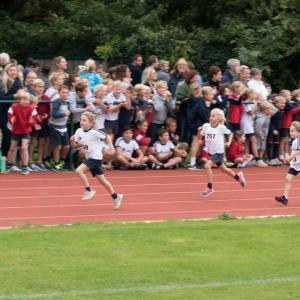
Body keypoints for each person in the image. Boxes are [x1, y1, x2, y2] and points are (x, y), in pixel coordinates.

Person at [71, 111, 123, 207]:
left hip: (96, 158)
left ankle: (88, 189)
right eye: (81, 120)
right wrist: (72, 142)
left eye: (84, 120)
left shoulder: (95, 132)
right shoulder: (78, 131)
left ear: (91, 123)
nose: (82, 122)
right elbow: (75, 146)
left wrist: (111, 148)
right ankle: (116, 197)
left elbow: (108, 137)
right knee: (103, 181)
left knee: (79, 170)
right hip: (89, 158)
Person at [200, 108, 246, 196]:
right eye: (210, 115)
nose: (211, 117)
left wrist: (228, 142)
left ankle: (209, 187)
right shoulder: (206, 126)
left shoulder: (221, 127)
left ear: (219, 119)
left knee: (207, 165)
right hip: (212, 152)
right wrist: (199, 133)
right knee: (224, 170)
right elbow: (201, 136)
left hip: (218, 152)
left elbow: (231, 133)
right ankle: (238, 177)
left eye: (213, 116)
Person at [6, 91, 38, 175]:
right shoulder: (14, 107)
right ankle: (9, 164)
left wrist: (33, 122)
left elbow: (35, 117)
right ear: (19, 100)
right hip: (16, 130)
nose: (25, 101)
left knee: (24, 148)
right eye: (23, 99)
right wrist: (13, 120)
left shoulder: (31, 108)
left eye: (27, 100)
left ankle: (24, 166)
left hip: (26, 130)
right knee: (12, 148)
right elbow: (9, 115)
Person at [275, 121, 300, 205]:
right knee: (287, 179)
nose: (291, 133)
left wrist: (288, 158)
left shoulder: (298, 140)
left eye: (293, 131)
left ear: (299, 132)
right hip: (296, 164)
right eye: (290, 131)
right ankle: (285, 198)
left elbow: (295, 152)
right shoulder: (293, 140)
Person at [48, 85, 70, 171]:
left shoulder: (67, 102)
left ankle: (62, 161)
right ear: (59, 93)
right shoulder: (56, 102)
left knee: (67, 147)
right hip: (55, 127)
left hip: (64, 127)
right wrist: (64, 114)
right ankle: (56, 164)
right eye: (63, 92)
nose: (65, 94)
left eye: (66, 92)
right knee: (57, 146)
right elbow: (54, 114)